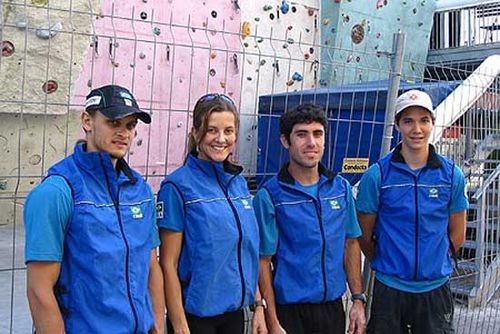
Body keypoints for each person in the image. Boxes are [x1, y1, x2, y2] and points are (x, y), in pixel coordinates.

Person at [24, 84, 165, 334]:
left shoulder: (140, 190)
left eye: (130, 125)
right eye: (114, 122)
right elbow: (39, 290)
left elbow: (151, 267)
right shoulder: (56, 192)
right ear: (87, 121)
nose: (124, 133)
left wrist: (157, 326)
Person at [357, 90, 469, 334]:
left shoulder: (451, 176)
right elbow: (364, 236)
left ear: (432, 123)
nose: (416, 129)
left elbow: (458, 234)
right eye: (408, 121)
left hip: (435, 289)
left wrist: (434, 259)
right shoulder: (377, 176)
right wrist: (388, 260)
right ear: (397, 124)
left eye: (423, 120)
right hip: (390, 290)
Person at [157, 93, 267, 334]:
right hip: (196, 319)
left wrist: (258, 305)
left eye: (228, 131)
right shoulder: (176, 187)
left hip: (234, 315)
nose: (221, 139)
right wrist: (179, 325)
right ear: (196, 133)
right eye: (211, 130)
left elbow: (247, 250)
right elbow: (168, 263)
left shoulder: (237, 182)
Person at [254, 103, 366, 334]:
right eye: (301, 135)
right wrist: (273, 321)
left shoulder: (341, 189)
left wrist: (357, 299)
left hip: (332, 310)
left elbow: (351, 243)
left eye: (318, 134)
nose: (311, 143)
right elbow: (262, 262)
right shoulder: (270, 196)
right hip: (289, 313)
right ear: (286, 141)